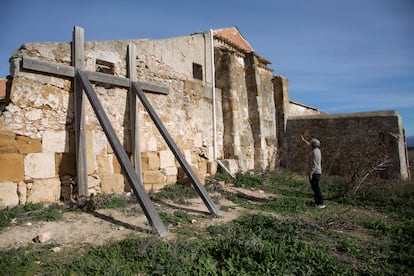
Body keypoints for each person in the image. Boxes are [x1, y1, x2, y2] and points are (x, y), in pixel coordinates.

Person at [301, 135, 325, 208]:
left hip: (315, 173)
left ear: (313, 145)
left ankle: (320, 203)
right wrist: (304, 140)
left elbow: (314, 164)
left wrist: (311, 173)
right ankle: (317, 202)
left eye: (311, 143)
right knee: (315, 188)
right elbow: (309, 145)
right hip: (317, 172)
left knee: (316, 188)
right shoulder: (317, 150)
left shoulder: (314, 152)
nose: (310, 144)